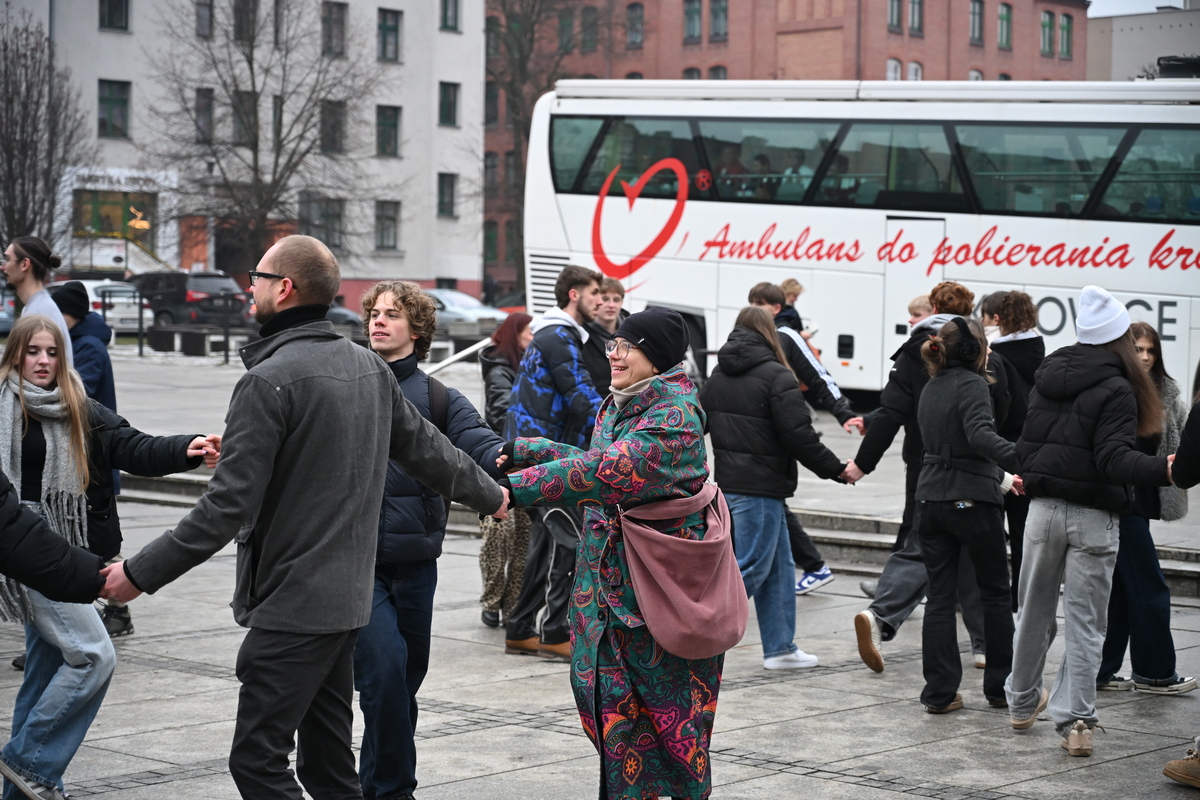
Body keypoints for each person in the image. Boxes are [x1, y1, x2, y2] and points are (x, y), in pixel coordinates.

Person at [98, 235, 507, 800]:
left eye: (257, 278)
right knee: (328, 771)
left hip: (294, 608)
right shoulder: (367, 367)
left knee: (258, 762)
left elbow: (225, 506)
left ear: (284, 288)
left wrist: (138, 574)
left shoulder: (266, 381)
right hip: (345, 606)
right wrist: (492, 495)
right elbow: (430, 452)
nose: (250, 288)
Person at [501, 307, 720, 800]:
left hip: (653, 601)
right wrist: (529, 450)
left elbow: (606, 473)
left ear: (655, 355)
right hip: (608, 599)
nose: (613, 354)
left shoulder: (674, 419)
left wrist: (514, 491)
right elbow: (595, 461)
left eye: (626, 345)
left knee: (671, 730)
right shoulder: (623, 403)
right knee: (614, 725)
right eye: (613, 344)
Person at [0, 315, 217, 800]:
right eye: (33, 351)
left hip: (69, 549)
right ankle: (26, 763)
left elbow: (132, 445)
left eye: (52, 353)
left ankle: (21, 789)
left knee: (46, 669)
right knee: (94, 655)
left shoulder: (78, 405)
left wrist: (188, 448)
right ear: (16, 354)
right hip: (26, 552)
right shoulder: (1, 407)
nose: (43, 361)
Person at [353, 281, 505, 800]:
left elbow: (480, 444)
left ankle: (375, 784)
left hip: (416, 565)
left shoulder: (439, 397)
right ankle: (394, 791)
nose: (378, 321)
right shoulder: (346, 384)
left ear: (417, 329)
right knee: (386, 675)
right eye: (374, 312)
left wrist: (506, 461)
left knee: (402, 684)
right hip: (358, 564)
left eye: (392, 314)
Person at [1007, 285, 1171, 758]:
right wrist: (1166, 469)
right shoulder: (1120, 387)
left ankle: (1020, 705)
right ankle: (1077, 722)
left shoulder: (1048, 373)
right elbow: (1114, 460)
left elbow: (1026, 446)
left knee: (1033, 611)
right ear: (1119, 337)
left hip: (1041, 511)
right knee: (1085, 622)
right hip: (1095, 516)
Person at [700, 306, 849, 670]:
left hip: (734, 486)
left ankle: (780, 649)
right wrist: (838, 470)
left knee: (780, 567)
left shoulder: (718, 374)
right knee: (749, 569)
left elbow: (697, 424)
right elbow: (800, 437)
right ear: (771, 333)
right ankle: (694, 634)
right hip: (761, 488)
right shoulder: (778, 376)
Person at [849, 282, 987, 673]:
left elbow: (892, 411)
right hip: (974, 475)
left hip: (925, 468)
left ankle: (884, 616)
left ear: (933, 309)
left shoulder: (914, 353)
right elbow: (997, 422)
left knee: (925, 543)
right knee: (972, 554)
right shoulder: (983, 360)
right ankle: (985, 644)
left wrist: (862, 463)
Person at [913, 316, 1023, 714]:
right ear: (975, 352)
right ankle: (1000, 688)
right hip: (971, 502)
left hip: (930, 500)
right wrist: (1022, 456)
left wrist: (1003, 476)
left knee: (939, 597)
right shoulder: (974, 383)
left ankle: (939, 694)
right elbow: (977, 437)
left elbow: (952, 446)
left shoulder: (932, 386)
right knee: (995, 593)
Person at [503, 265, 603, 661]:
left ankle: (522, 627)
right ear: (575, 294)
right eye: (595, 292)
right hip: (545, 457)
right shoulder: (559, 336)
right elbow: (580, 395)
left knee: (549, 544)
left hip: (541, 454)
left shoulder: (557, 334)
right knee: (566, 543)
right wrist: (621, 426)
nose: (600, 299)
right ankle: (552, 631)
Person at [1096, 322, 1194, 696]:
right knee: (1150, 588)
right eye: (1137, 349)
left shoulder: (1166, 395)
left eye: (1150, 350)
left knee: (1123, 589)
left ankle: (1101, 671)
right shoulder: (1117, 391)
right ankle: (1155, 674)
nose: (1145, 357)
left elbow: (1185, 442)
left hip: (1143, 503)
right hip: (1122, 505)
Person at [746, 282, 855, 596]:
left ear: (776, 308)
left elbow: (819, 376)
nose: (755, 309)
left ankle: (811, 565)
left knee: (766, 502)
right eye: (751, 303)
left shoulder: (787, 336)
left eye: (761, 304)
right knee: (770, 504)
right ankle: (812, 565)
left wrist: (844, 413)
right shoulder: (750, 337)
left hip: (774, 432)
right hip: (750, 434)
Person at [51, 281, 130, 639]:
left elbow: (76, 395)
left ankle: (118, 611)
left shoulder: (87, 348)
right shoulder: (76, 343)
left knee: (99, 544)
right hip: (83, 461)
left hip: (91, 462)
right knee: (83, 542)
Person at [979, 291, 1045, 611]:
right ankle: (1020, 598)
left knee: (990, 531)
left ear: (996, 320)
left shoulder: (994, 358)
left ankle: (991, 599)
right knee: (1022, 532)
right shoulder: (1039, 353)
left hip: (997, 451)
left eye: (983, 316)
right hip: (1030, 453)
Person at [478, 312, 534, 629]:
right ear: (515, 335)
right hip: (501, 462)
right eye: (528, 333)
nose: (533, 339)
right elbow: (502, 411)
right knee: (498, 536)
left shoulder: (527, 368)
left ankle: (512, 605)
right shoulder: (501, 370)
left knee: (523, 536)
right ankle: (491, 601)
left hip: (523, 465)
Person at [1, 238, 71, 366]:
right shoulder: (36, 307)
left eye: (7, 259)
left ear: (24, 264)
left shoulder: (40, 313)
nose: (2, 267)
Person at [581, 277, 625, 392]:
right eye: (605, 299)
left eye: (616, 300)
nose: (611, 305)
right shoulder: (581, 335)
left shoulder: (633, 333)